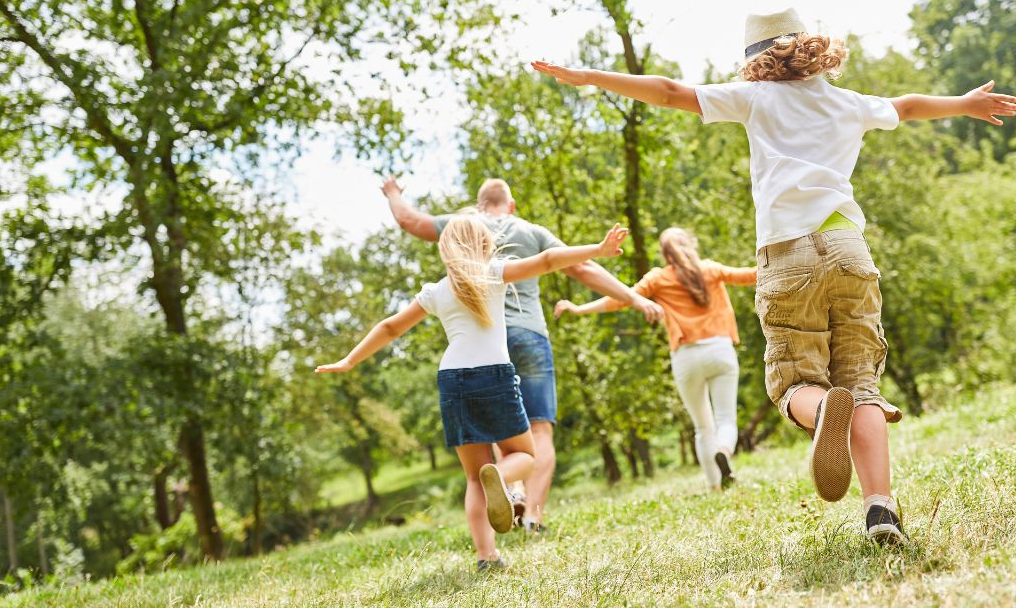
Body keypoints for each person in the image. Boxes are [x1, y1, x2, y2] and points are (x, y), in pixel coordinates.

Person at [531, 7, 1016, 544]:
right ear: (810, 48)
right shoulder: (846, 102)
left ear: (756, 61)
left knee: (793, 382)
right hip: (848, 249)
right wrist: (967, 104)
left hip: (788, 255)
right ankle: (881, 511)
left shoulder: (756, 99)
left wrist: (590, 77)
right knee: (862, 385)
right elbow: (906, 106)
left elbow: (670, 91)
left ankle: (820, 410)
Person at [315, 216, 630, 569]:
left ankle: (486, 556)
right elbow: (547, 261)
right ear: (484, 245)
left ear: (446, 249)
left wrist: (349, 359)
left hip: (452, 380)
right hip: (493, 375)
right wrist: (598, 250)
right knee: (525, 455)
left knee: (472, 477)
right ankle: (502, 476)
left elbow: (390, 327)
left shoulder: (435, 291)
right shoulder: (493, 273)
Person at [381, 176, 662, 534]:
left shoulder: (462, 226)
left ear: (479, 204)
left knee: (503, 430)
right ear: (511, 205)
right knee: (539, 431)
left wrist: (393, 194)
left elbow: (410, 221)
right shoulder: (531, 230)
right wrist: (634, 297)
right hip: (529, 335)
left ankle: (511, 490)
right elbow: (580, 267)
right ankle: (533, 516)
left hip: (482, 344)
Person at [554, 227, 757, 490]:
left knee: (702, 426)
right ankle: (724, 450)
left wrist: (580, 308)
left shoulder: (658, 278)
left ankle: (714, 486)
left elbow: (622, 298)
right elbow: (751, 275)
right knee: (725, 420)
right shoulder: (711, 270)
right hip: (720, 350)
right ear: (690, 245)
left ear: (664, 254)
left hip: (686, 357)